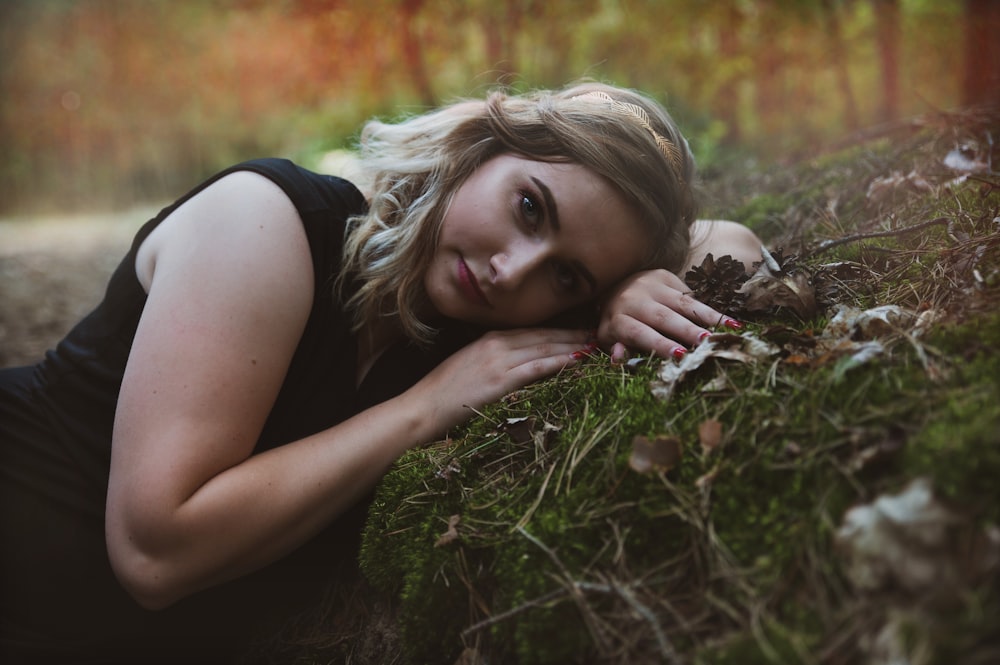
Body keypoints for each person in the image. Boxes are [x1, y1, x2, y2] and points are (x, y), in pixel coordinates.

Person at [0, 82, 760, 663]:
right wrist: (423, 408)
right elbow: (152, 551)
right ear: (485, 144)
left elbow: (732, 241)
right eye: (530, 207)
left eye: (567, 278)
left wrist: (633, 287)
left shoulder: (466, 322)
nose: (511, 269)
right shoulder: (266, 222)